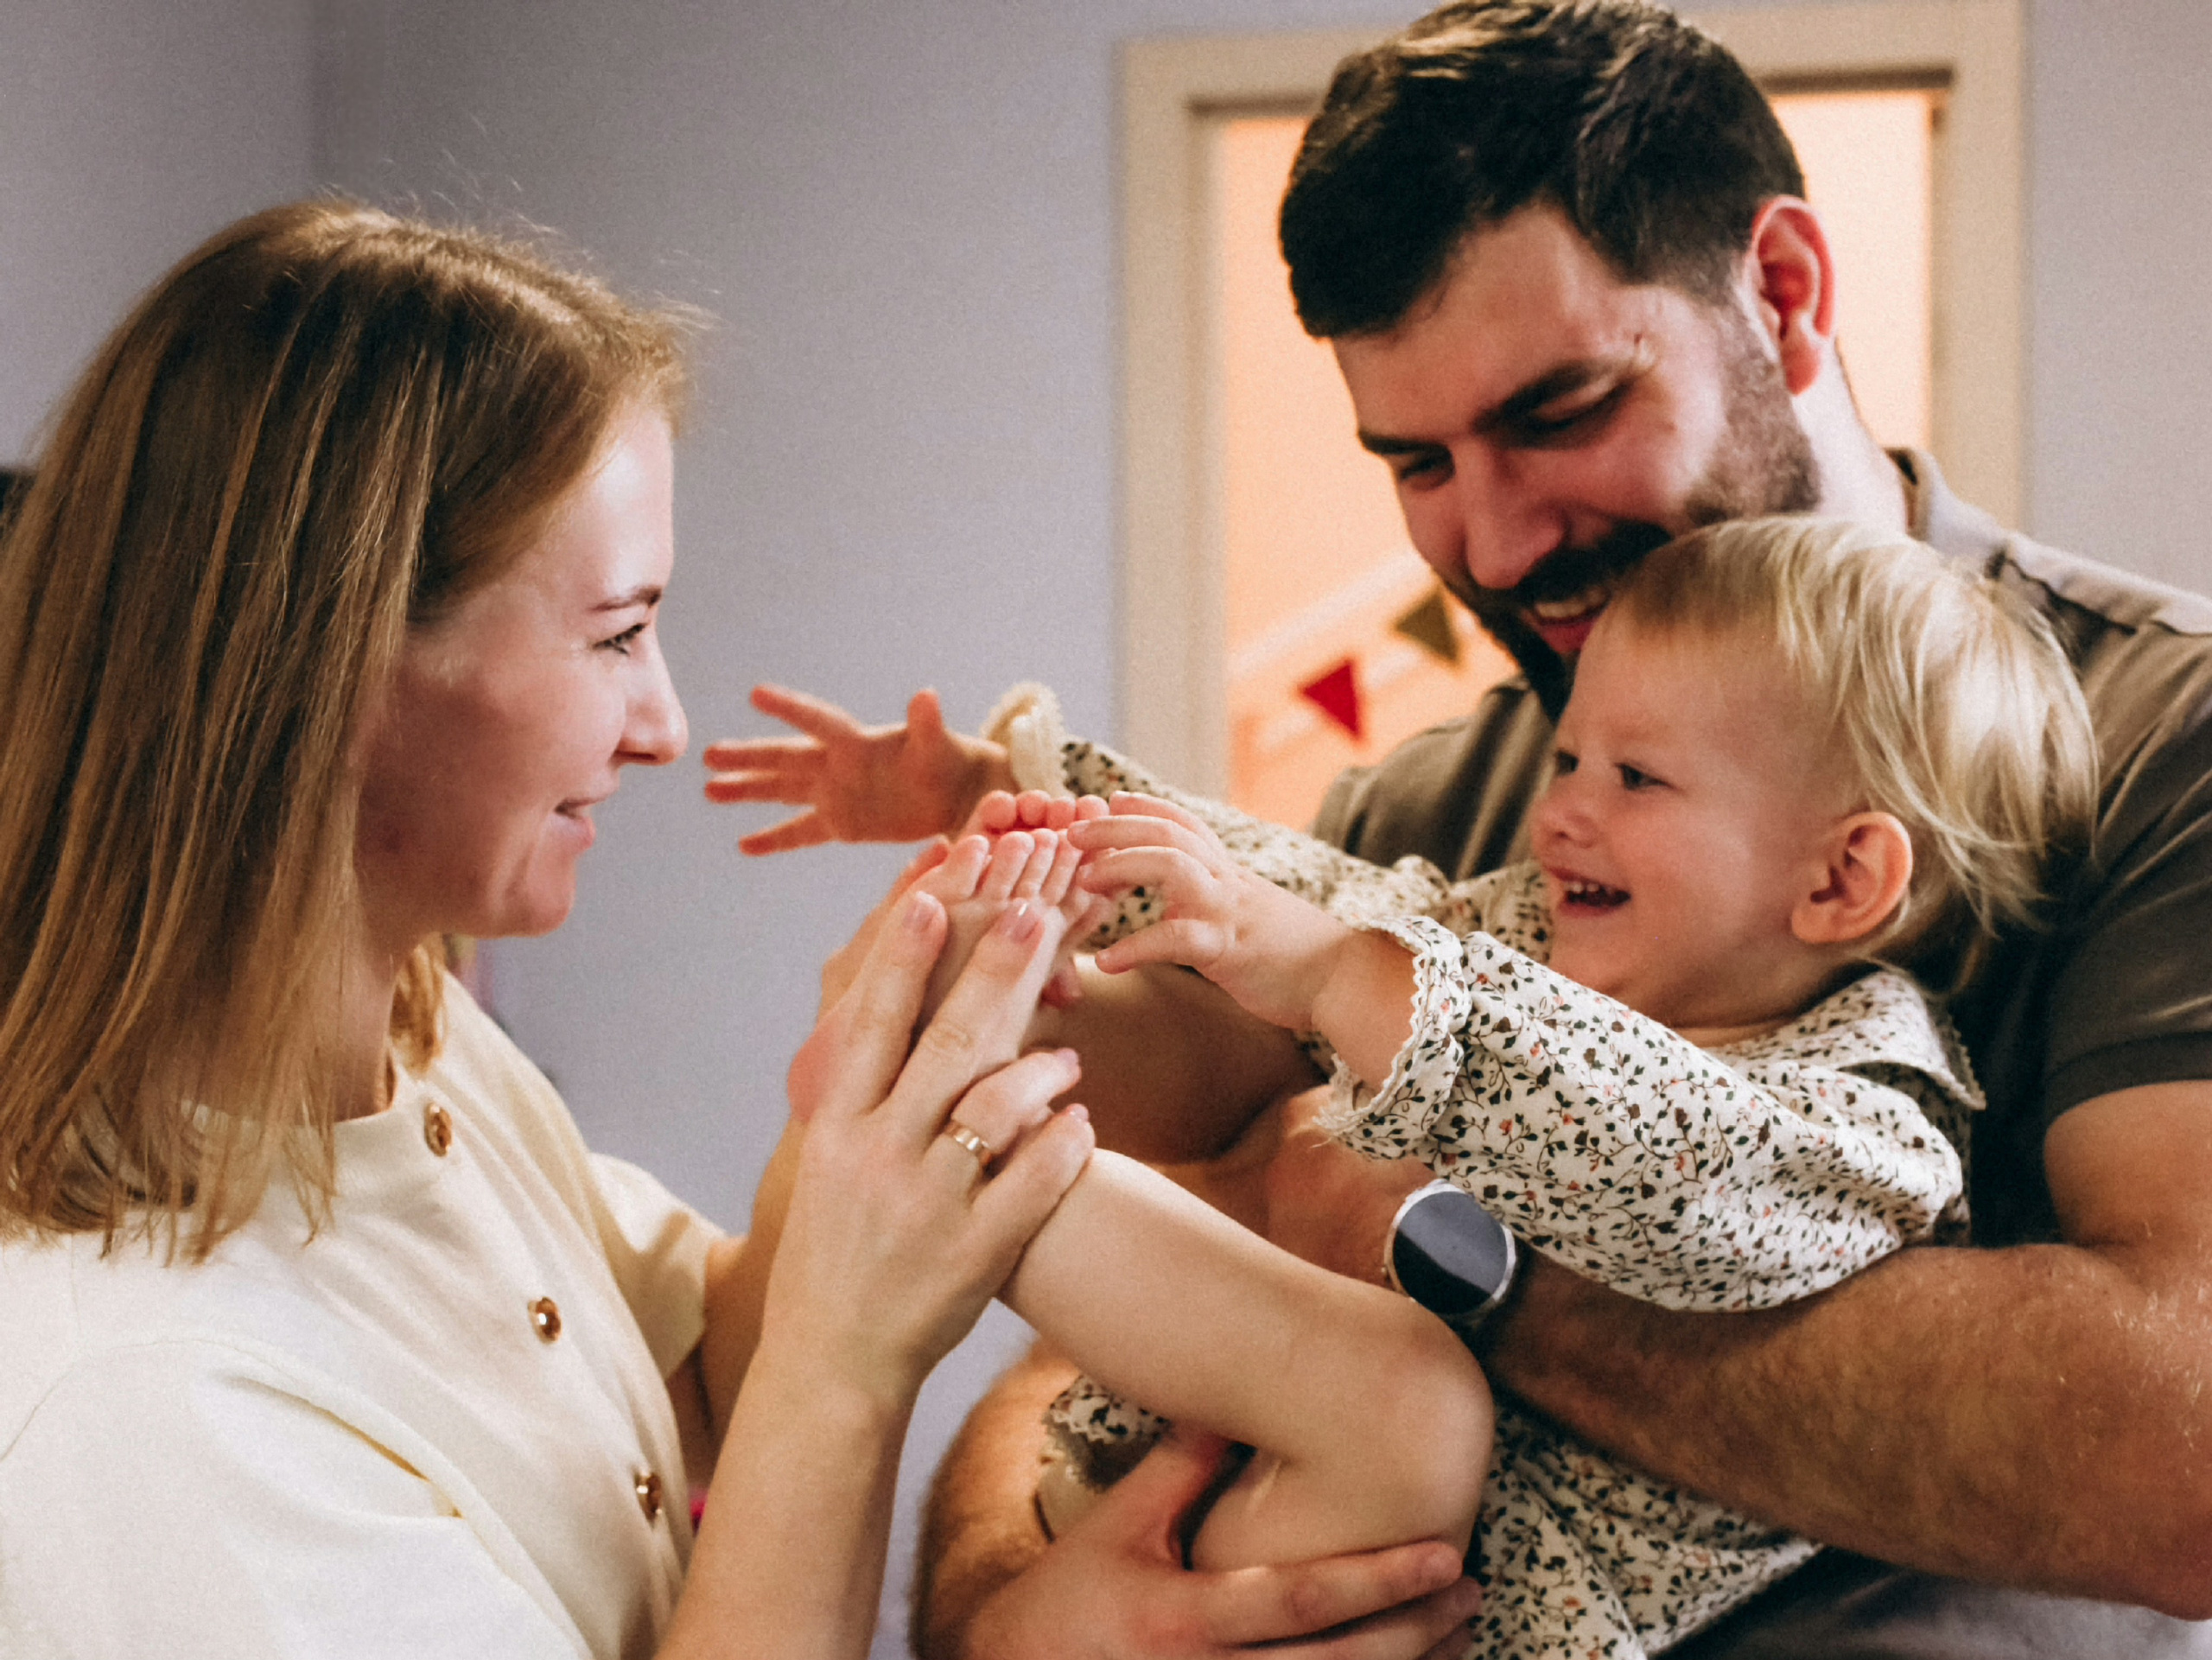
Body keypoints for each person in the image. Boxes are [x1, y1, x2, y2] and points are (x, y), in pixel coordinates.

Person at [705, 3, 2212, 1655]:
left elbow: (2189, 1450)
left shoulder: (2165, 740)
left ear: (1782, 293)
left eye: (1560, 412)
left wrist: (1416, 1232)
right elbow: (1114, 1339)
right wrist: (1018, 1613)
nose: (1494, 542)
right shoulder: (1449, 803)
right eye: (1416, 458)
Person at [0, 202, 1484, 1660]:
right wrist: (852, 1352)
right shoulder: (144, 1396)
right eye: (615, 633)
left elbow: (695, 1375)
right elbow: (792, 1389)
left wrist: (869, 1102)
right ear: (340, 657)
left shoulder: (411, 1048)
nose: (664, 723)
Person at [726, 516, 2094, 1657]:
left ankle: (949, 1149)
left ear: (1841, 877)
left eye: (1637, 776)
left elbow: (1665, 1158)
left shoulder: (1867, 1116)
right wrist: (1047, 798)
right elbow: (1331, 897)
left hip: (1389, 1585)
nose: (1565, 808)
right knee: (1122, 975)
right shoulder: (1537, 927)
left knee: (1416, 1397)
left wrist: (1338, 976)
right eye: (1569, 757)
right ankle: (946, 1043)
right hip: (1182, 1473)